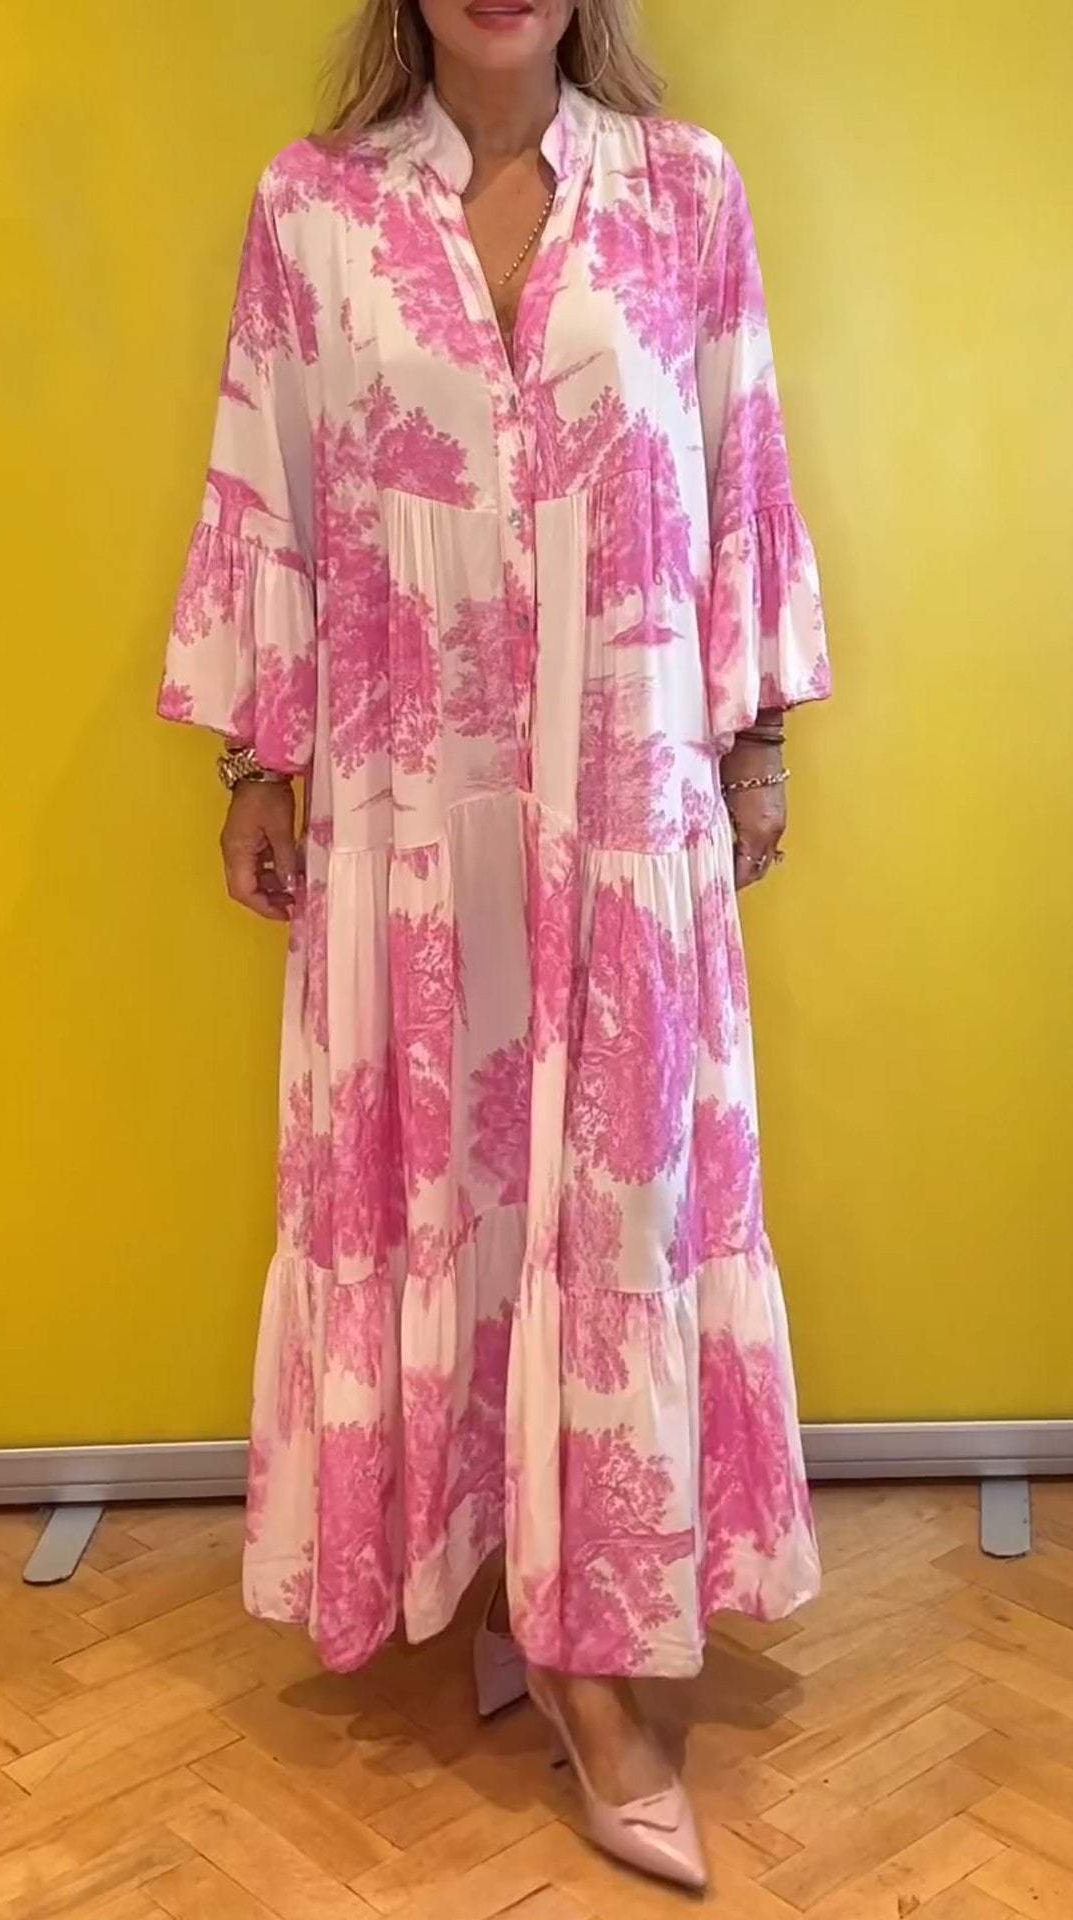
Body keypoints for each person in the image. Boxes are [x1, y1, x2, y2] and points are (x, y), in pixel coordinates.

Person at [156, 0, 831, 1890]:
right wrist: (256, 763)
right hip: (411, 820)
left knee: (614, 1213)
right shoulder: (313, 211)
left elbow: (739, 461)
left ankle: (598, 1668)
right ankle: (495, 1578)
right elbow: (268, 486)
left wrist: (758, 739)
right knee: (443, 1198)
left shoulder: (685, 194)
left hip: (622, 808)